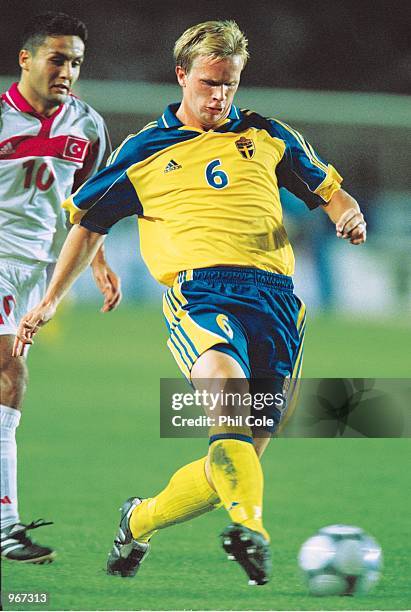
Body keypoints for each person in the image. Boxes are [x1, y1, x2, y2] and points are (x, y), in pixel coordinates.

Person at [13, 20, 366, 584]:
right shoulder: (145, 151)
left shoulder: (270, 135)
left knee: (240, 453)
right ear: (182, 75)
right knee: (226, 399)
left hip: (278, 304)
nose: (219, 95)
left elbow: (329, 190)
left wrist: (346, 212)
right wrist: (52, 299)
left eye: (229, 84)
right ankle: (252, 531)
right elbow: (89, 222)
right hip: (200, 293)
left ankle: (140, 520)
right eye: (208, 82)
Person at [1, 12, 122, 564]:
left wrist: (98, 262)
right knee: (8, 373)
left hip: (39, 271)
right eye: (57, 59)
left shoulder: (89, 126)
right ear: (25, 59)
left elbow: (88, 201)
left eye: (75, 61)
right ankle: (5, 525)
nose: (67, 71)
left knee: (9, 386)